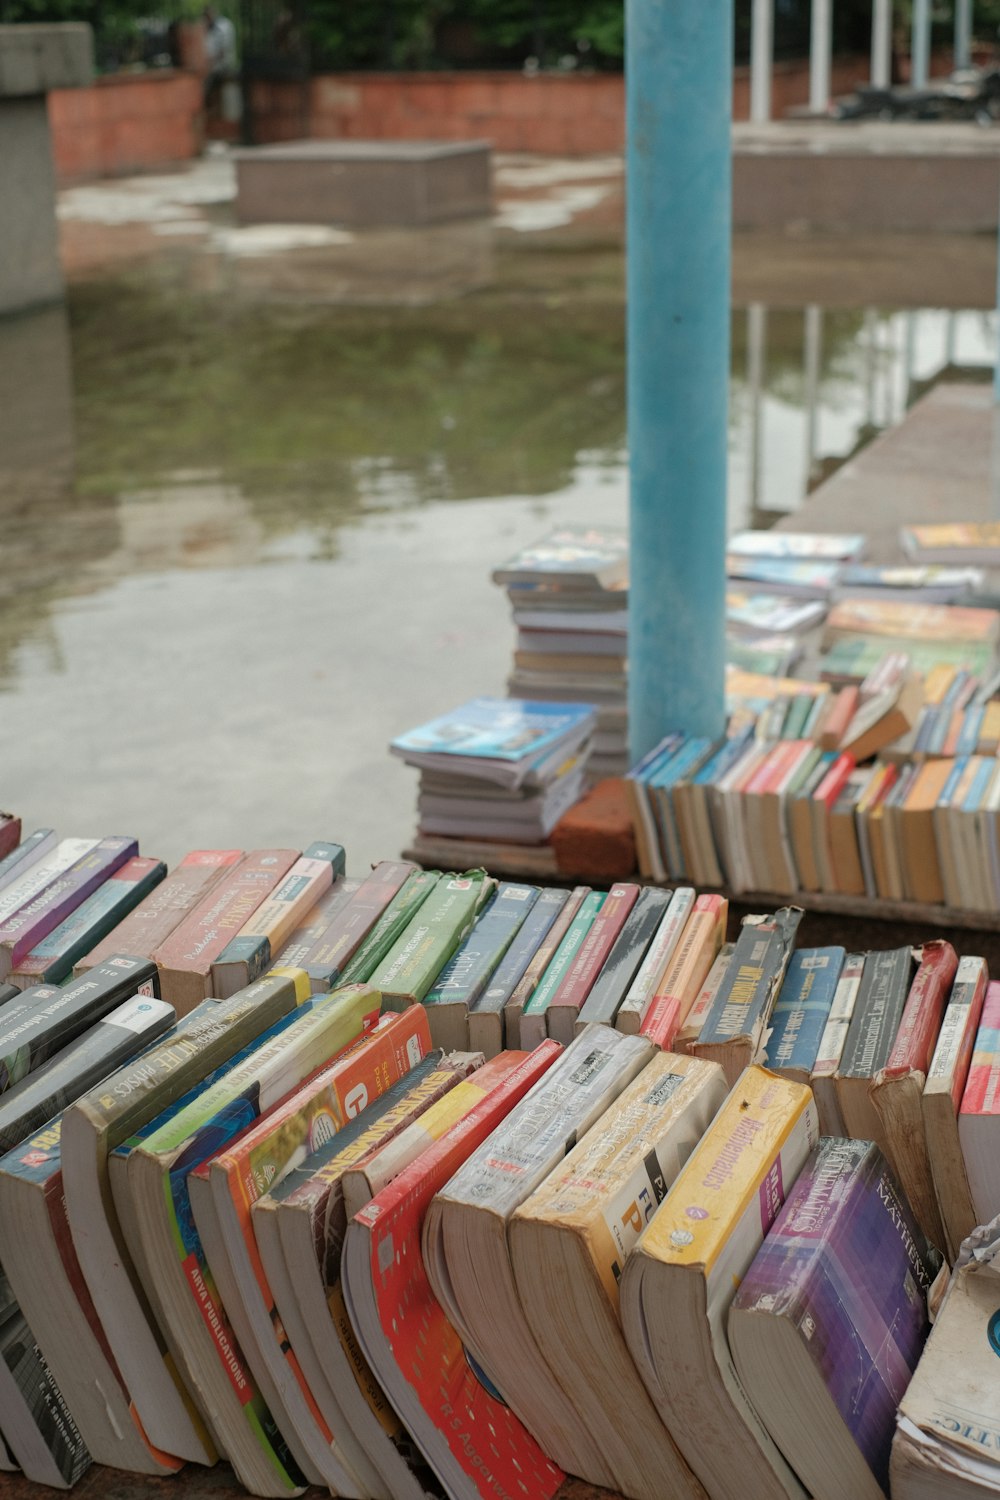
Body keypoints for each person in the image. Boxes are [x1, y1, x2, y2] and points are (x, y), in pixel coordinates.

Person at [203, 5, 237, 113]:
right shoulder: (207, 29)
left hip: (223, 65)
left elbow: (223, 51)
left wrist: (210, 62)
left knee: (207, 83)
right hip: (212, 66)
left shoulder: (223, 26)